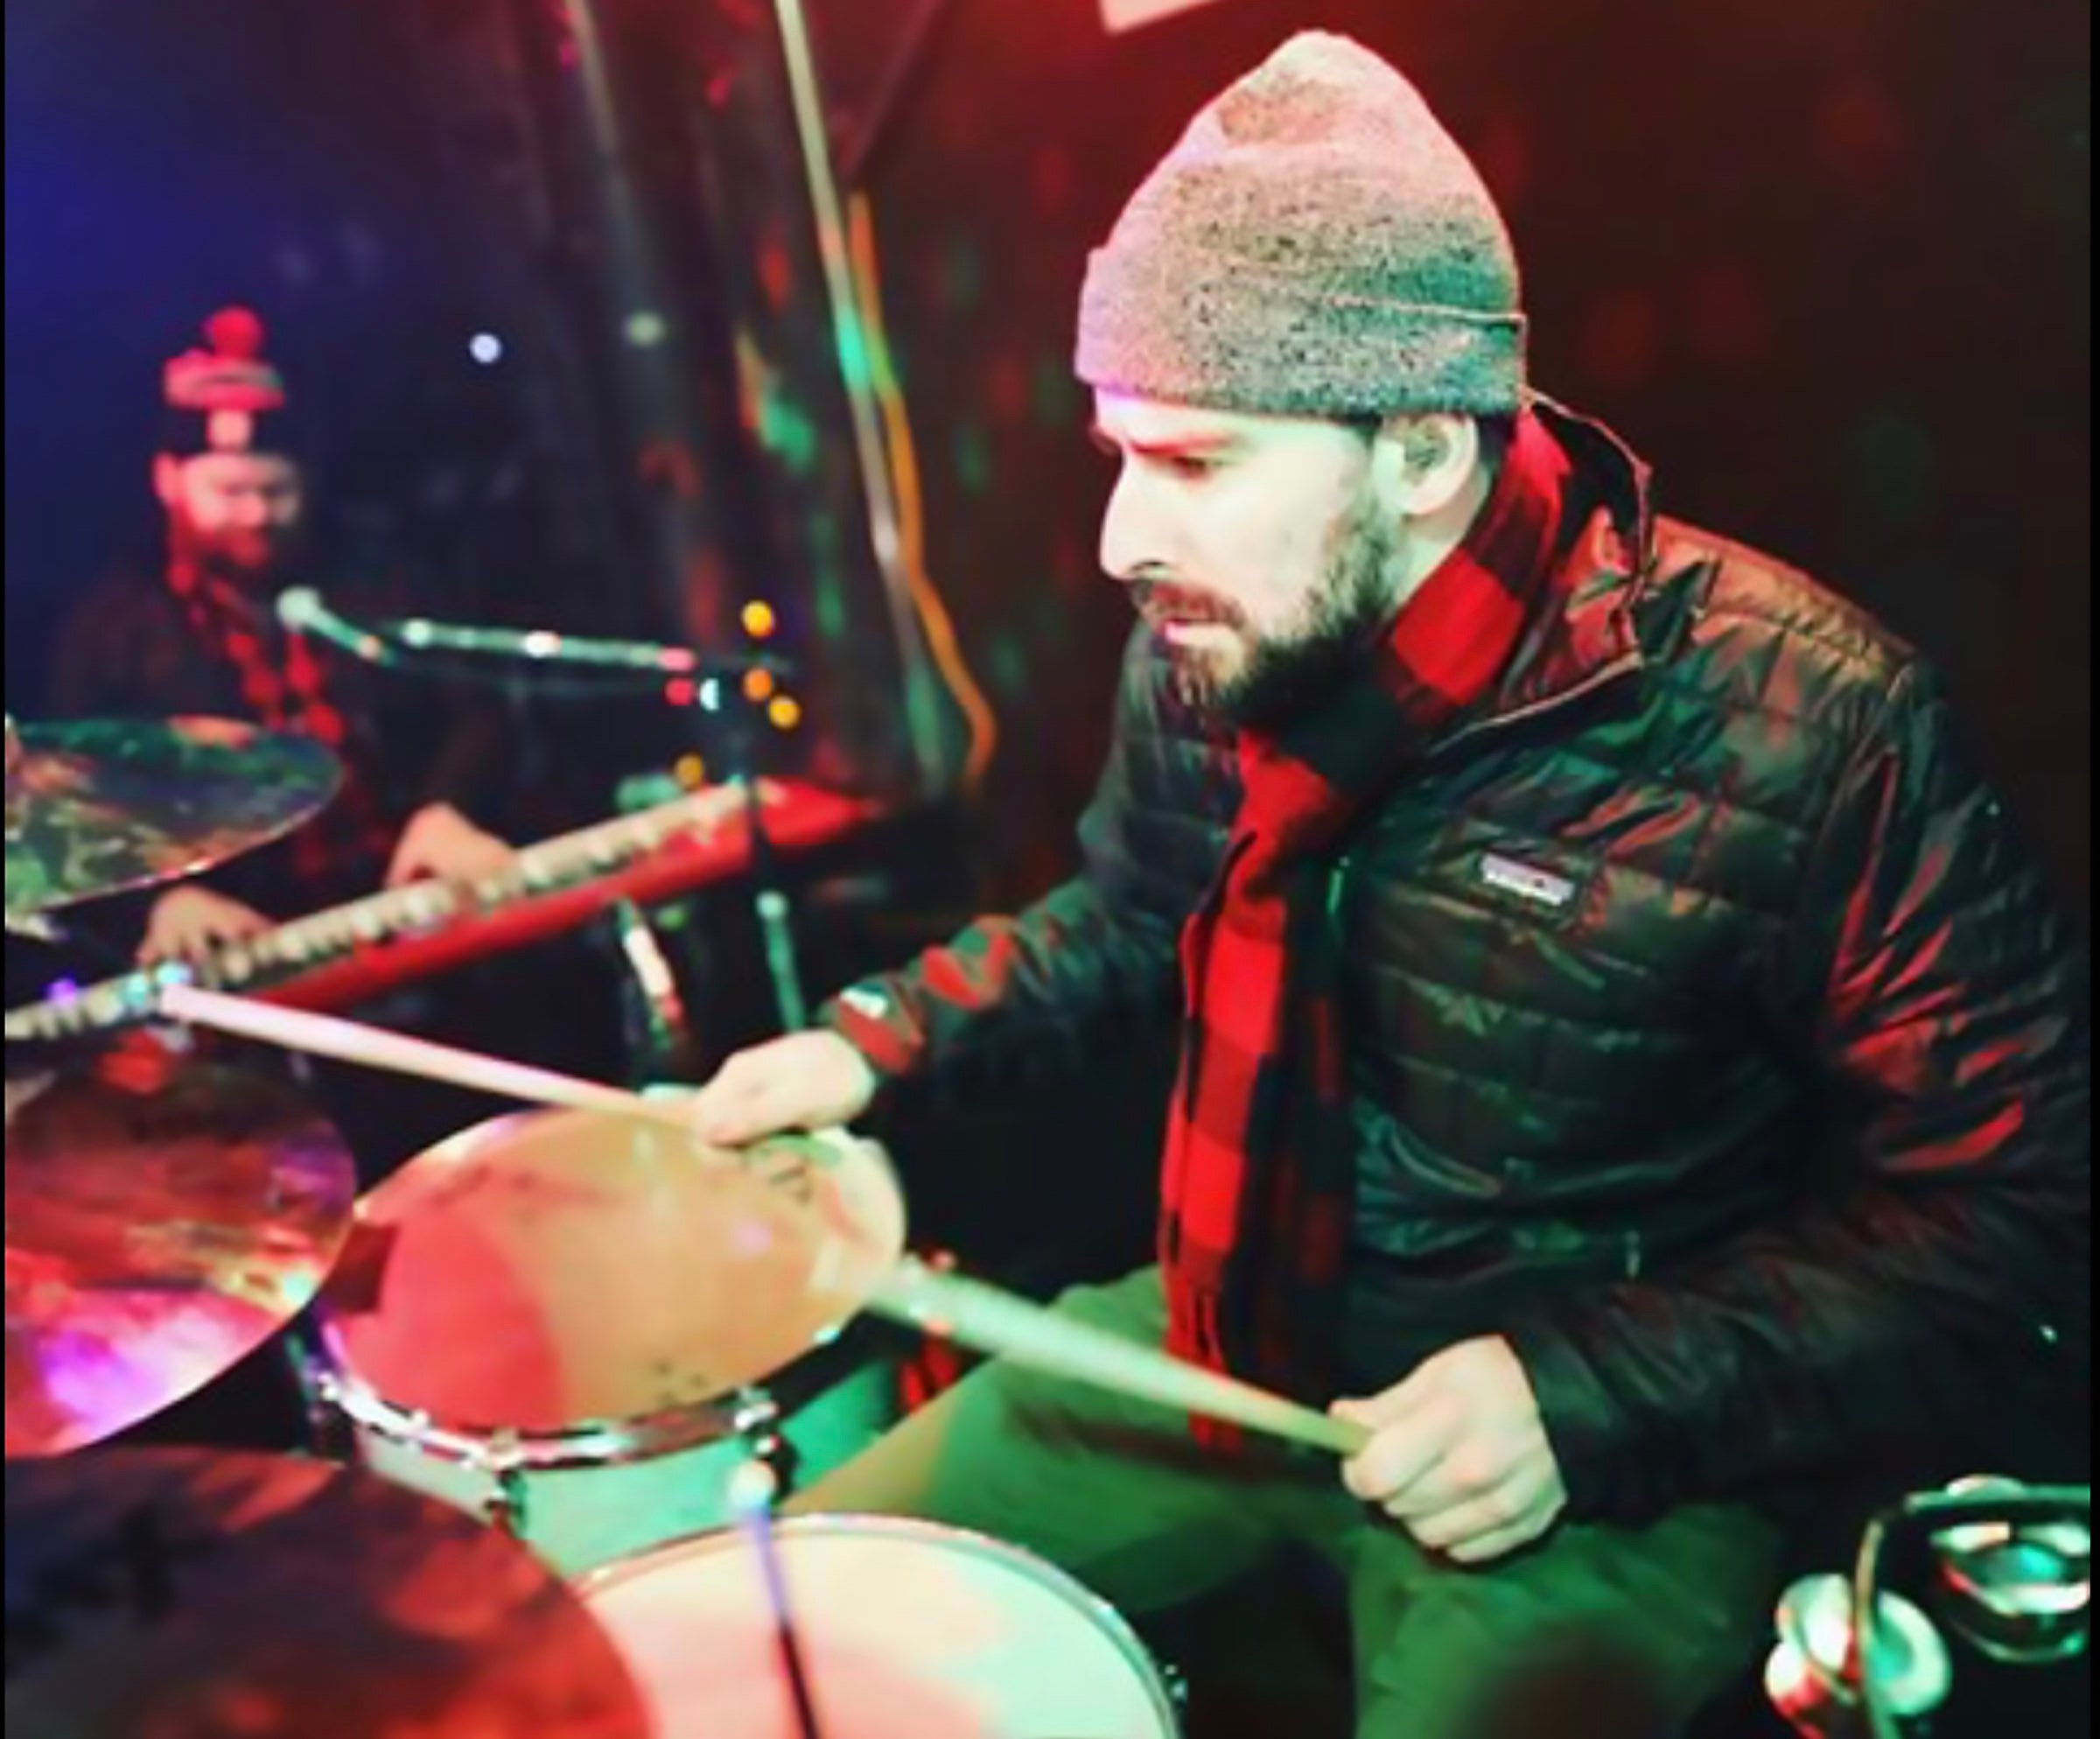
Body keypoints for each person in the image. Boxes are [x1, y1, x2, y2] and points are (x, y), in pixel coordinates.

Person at [688, 33, 2090, 1739]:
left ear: (1424, 451)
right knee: (773, 1629)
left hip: (1606, 1439)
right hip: (1229, 1320)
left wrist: (1578, 1394)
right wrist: (876, 1039)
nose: (1124, 535)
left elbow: (2014, 1211)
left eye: (1193, 462)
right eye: (1119, 450)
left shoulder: (1814, 724)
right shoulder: (1217, 634)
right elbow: (1137, 914)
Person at [46, 305, 514, 966]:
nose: (259, 514)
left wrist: (449, 807)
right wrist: (161, 901)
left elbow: (481, 709)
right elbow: (75, 806)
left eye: (278, 491)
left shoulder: (380, 577)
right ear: (169, 481)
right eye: (231, 491)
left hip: (430, 924)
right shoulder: (114, 630)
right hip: (254, 964)